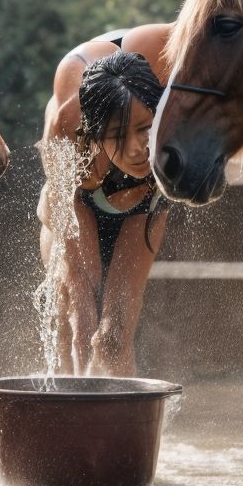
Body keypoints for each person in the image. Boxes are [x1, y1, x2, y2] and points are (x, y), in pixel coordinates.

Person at [38, 24, 173, 376]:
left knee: (113, 334)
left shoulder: (172, 90)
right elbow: (57, 204)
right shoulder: (68, 127)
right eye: (116, 135)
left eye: (145, 129)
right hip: (74, 203)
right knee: (79, 322)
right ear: (94, 132)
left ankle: (124, 424)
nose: (135, 148)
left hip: (142, 211)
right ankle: (68, 419)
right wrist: (81, 299)